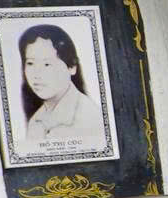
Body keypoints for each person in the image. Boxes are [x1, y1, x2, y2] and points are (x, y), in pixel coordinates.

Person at [17, 23, 103, 151]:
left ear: (72, 66)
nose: (36, 74)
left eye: (47, 64)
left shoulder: (89, 118)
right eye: (30, 63)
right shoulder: (35, 122)